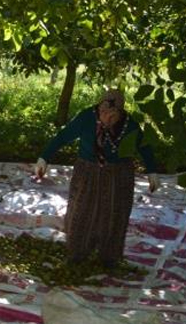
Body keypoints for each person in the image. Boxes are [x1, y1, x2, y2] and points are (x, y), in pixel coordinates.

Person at [35, 89, 159, 267]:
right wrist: (44, 157)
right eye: (103, 112)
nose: (106, 117)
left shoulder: (129, 124)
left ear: (120, 112)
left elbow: (144, 146)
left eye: (112, 114)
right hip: (88, 170)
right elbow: (64, 136)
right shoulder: (87, 117)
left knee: (114, 213)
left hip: (118, 174)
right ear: (98, 107)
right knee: (82, 209)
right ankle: (77, 253)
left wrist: (152, 171)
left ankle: (109, 257)